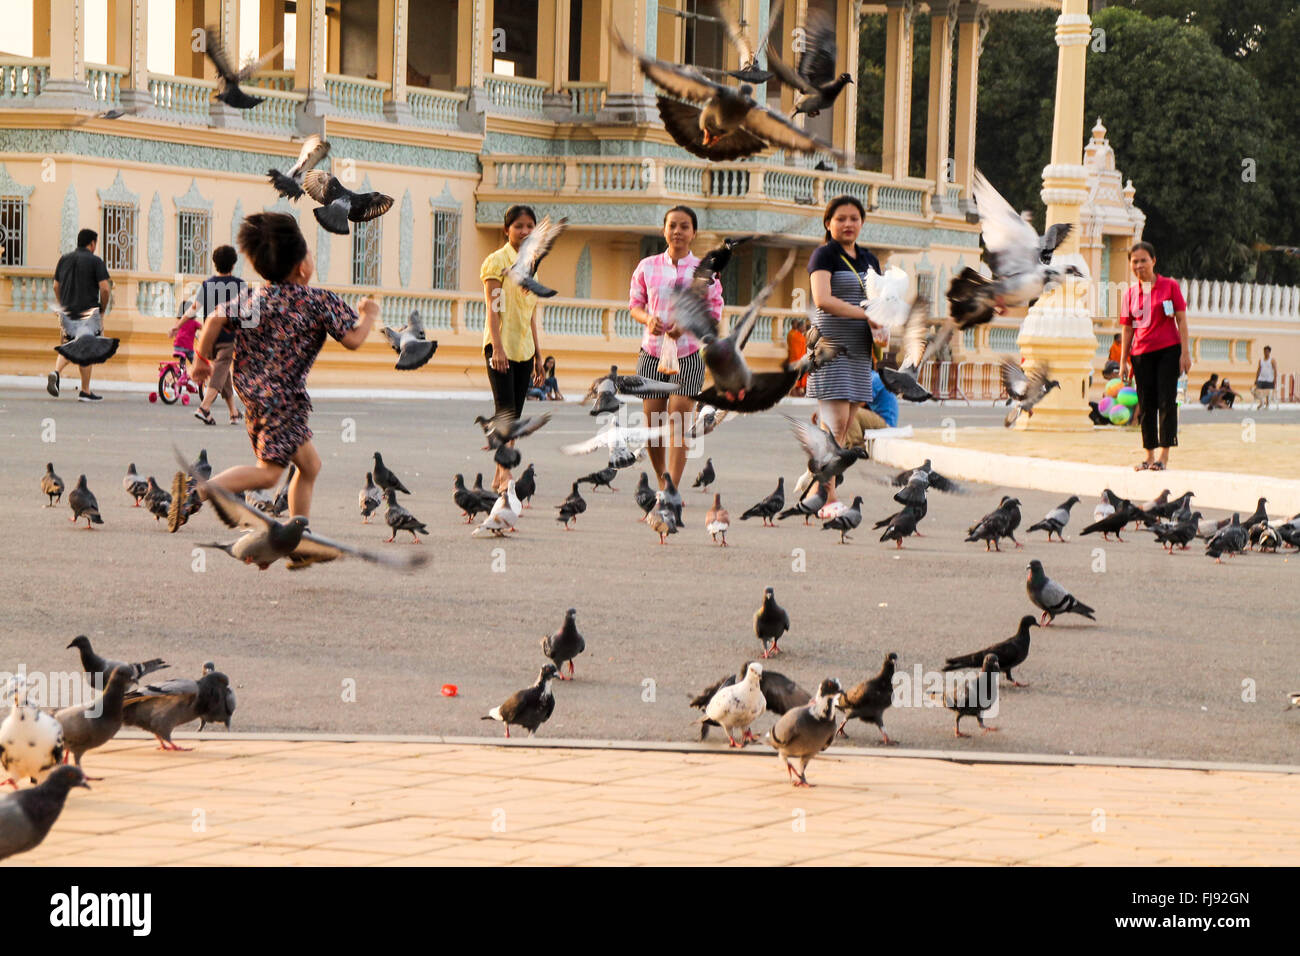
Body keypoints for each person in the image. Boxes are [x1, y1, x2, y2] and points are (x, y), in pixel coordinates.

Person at [181, 212, 375, 532]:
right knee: (269, 474)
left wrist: (201, 360)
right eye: (309, 254)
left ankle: (299, 528)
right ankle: (201, 490)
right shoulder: (317, 302)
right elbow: (353, 339)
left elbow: (214, 319)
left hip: (256, 396)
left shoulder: (255, 298)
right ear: (302, 267)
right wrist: (369, 314)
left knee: (310, 466)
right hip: (282, 400)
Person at [628, 205, 722, 493]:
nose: (677, 231)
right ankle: (661, 479)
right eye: (672, 225)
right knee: (653, 427)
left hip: (688, 355)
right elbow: (635, 306)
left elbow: (714, 311)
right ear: (664, 230)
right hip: (652, 354)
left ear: (693, 233)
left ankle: (671, 490)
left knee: (678, 424)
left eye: (684, 226)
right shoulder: (647, 266)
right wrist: (648, 320)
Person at [807, 194, 887, 502]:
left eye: (854, 218)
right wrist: (865, 314)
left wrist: (883, 325)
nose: (848, 224)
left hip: (859, 352)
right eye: (840, 219)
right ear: (828, 223)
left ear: (862, 222)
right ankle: (827, 497)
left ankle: (817, 491)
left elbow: (879, 301)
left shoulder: (869, 259)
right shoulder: (824, 255)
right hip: (832, 349)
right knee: (835, 426)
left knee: (842, 429)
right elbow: (822, 299)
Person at [481, 204, 545, 491]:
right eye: (519, 226)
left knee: (515, 417)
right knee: (504, 412)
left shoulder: (531, 268)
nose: (525, 231)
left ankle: (499, 476)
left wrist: (539, 356)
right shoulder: (496, 262)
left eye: (530, 226)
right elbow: (493, 308)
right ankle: (505, 474)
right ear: (506, 230)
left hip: (524, 350)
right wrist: (497, 347)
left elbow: (530, 315)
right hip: (500, 347)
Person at [1118, 241, 1190, 471]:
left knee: (1166, 401)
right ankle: (1149, 455)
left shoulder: (1169, 286)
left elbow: (1181, 320)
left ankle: (1163, 456)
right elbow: (1127, 329)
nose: (1139, 265)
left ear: (1154, 261)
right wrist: (1123, 361)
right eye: (1135, 261)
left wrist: (1185, 353)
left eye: (1143, 260)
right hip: (1141, 355)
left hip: (1168, 351)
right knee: (1146, 405)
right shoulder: (1130, 294)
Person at [184, 245, 246, 425]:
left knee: (223, 372)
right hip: (229, 336)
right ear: (233, 264)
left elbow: (194, 308)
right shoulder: (239, 284)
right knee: (221, 370)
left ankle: (234, 413)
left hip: (209, 338)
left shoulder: (207, 284)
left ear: (214, 263)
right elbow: (248, 313)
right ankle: (204, 408)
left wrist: (179, 325)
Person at [49, 228, 112, 402]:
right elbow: (105, 289)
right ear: (92, 244)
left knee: (71, 345)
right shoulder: (95, 261)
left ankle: (56, 372)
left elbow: (56, 286)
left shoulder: (64, 259)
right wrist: (102, 310)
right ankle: (85, 391)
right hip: (88, 312)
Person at [786, 316, 809, 397]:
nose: (805, 328)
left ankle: (798, 391)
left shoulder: (799, 336)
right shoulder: (794, 335)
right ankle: (793, 391)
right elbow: (796, 350)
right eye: (804, 327)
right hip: (796, 359)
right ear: (800, 327)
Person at [1253, 345, 1277, 410]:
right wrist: (1256, 379)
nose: (1265, 353)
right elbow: (1259, 369)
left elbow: (1275, 370)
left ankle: (1267, 404)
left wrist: (1275, 380)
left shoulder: (1272, 360)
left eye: (1267, 351)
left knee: (1267, 393)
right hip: (1261, 379)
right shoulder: (1261, 360)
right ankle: (1261, 403)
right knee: (1259, 392)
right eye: (1264, 351)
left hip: (1269, 379)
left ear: (1269, 352)